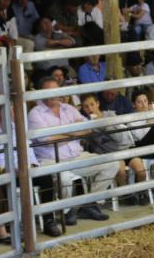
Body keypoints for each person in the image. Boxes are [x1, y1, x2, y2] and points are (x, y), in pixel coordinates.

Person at [29, 78, 125, 222]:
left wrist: (63, 133)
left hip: (77, 156)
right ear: (41, 93)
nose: (52, 94)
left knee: (112, 164)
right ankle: (66, 212)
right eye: (48, 91)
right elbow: (48, 140)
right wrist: (73, 131)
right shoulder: (35, 113)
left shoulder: (69, 108)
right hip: (51, 160)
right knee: (65, 179)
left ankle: (90, 203)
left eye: (55, 90)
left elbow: (87, 129)